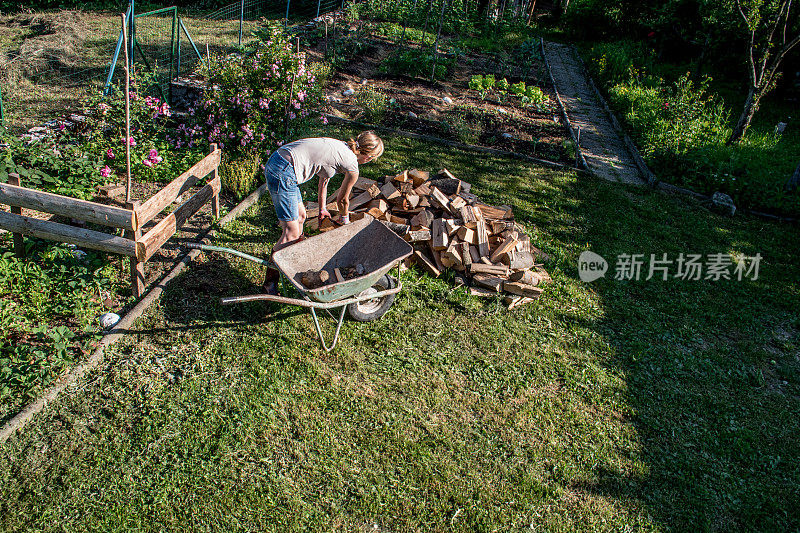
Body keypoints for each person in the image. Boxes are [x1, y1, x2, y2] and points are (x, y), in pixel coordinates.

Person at [261, 131, 385, 294]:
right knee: (291, 232)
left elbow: (324, 180)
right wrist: (345, 220)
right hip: (284, 171)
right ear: (369, 157)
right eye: (371, 159)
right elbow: (343, 200)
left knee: (301, 217)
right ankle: (270, 283)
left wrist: (322, 209)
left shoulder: (340, 147)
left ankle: (295, 261)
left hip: (280, 160)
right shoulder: (352, 165)